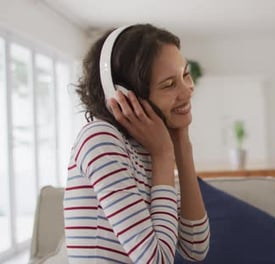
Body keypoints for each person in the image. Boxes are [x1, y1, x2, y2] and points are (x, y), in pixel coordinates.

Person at [64, 24, 210, 263]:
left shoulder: (146, 146)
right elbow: (158, 260)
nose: (188, 91)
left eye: (185, 75)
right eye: (169, 85)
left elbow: (196, 247)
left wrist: (181, 143)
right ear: (124, 95)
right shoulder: (100, 140)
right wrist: (164, 155)